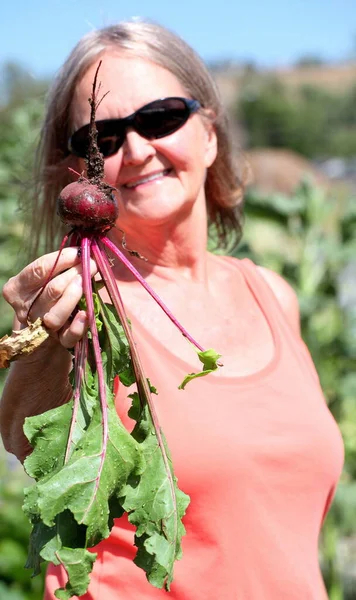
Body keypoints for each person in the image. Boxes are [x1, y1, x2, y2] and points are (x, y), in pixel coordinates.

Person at [0, 20, 344, 600]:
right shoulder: (84, 311)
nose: (136, 150)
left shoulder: (274, 295)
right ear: (74, 173)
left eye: (160, 118)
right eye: (102, 139)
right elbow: (25, 437)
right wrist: (38, 345)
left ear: (209, 133)